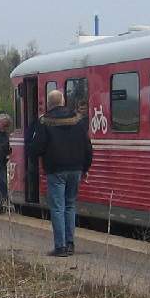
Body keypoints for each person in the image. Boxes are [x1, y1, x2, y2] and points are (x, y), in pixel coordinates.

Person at [27, 89, 93, 256]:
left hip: (55, 170)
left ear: (50, 104)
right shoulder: (78, 120)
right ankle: (70, 244)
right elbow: (88, 147)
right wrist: (85, 168)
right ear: (63, 101)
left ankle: (60, 247)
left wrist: (36, 160)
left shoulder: (45, 121)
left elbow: (36, 147)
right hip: (76, 169)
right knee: (70, 206)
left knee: (57, 208)